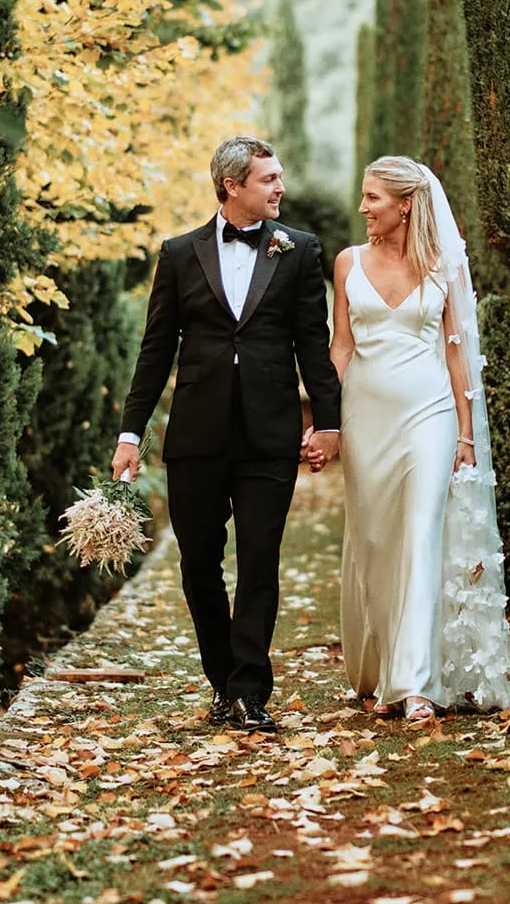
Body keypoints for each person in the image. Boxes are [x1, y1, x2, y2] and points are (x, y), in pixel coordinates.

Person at [112, 137, 341, 734]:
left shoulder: (299, 251)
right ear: (232, 186)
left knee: (260, 560)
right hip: (197, 436)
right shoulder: (180, 253)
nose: (279, 188)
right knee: (198, 565)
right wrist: (131, 433)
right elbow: (155, 350)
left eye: (280, 177)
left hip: (270, 436)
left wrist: (329, 421)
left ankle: (250, 690)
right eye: (268, 179)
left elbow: (313, 348)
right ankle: (222, 679)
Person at [308, 155, 510, 723]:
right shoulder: (347, 263)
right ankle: (386, 670)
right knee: (378, 543)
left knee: (421, 534)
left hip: (428, 412)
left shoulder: (441, 266)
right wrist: (323, 420)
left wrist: (465, 435)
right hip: (365, 416)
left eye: (373, 198)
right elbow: (341, 349)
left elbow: (457, 354)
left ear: (405, 204)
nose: (363, 208)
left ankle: (417, 685)